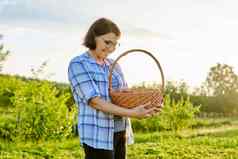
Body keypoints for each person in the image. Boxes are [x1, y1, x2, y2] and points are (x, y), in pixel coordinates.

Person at [68, 18, 162, 159]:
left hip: (120, 131)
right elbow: (95, 102)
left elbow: (126, 96)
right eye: (107, 42)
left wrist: (150, 106)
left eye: (115, 44)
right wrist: (133, 114)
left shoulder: (113, 65)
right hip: (97, 134)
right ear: (93, 37)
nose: (111, 49)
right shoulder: (79, 64)